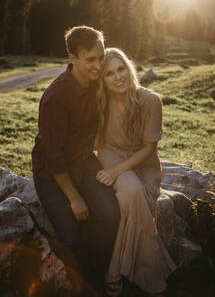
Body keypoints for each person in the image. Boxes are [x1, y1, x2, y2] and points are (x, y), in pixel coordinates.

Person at [32, 27, 120, 291]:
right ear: (72, 58)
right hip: (51, 173)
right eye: (90, 59)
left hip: (84, 162)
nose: (97, 65)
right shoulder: (56, 98)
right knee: (71, 235)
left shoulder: (97, 83)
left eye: (100, 58)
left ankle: (96, 277)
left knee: (110, 213)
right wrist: (74, 197)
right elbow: (53, 156)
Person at [96, 48, 176, 296]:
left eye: (121, 69)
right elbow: (96, 143)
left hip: (144, 164)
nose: (117, 77)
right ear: (103, 81)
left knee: (136, 196)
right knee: (132, 191)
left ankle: (116, 270)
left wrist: (118, 170)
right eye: (109, 74)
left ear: (129, 68)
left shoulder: (151, 100)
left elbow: (148, 148)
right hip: (110, 154)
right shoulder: (99, 102)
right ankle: (138, 271)